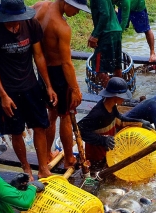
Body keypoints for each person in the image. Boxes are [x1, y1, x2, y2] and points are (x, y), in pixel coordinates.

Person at [0, 0, 58, 179]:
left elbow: (38, 55)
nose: (15, 24)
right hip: (8, 90)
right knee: (16, 131)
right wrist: (3, 95)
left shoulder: (31, 24)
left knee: (40, 126)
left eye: (18, 19)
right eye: (11, 20)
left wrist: (48, 85)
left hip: (31, 85)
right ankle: (26, 169)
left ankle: (43, 167)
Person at [32, 0, 90, 169]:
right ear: (66, 2)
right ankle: (69, 158)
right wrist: (75, 89)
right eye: (77, 8)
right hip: (58, 73)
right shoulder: (62, 27)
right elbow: (66, 63)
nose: (78, 13)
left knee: (51, 114)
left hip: (43, 71)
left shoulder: (38, 7)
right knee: (65, 116)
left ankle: (48, 153)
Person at [77, 77, 152, 169]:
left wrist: (140, 123)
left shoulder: (112, 107)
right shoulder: (98, 113)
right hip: (96, 157)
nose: (124, 99)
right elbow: (79, 129)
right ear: (115, 96)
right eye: (123, 96)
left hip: (107, 152)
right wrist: (103, 140)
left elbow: (120, 121)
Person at [88, 0, 123, 88]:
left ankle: (110, 97)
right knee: (116, 66)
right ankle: (119, 93)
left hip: (107, 33)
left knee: (99, 68)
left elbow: (105, 14)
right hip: (115, 30)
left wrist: (95, 35)